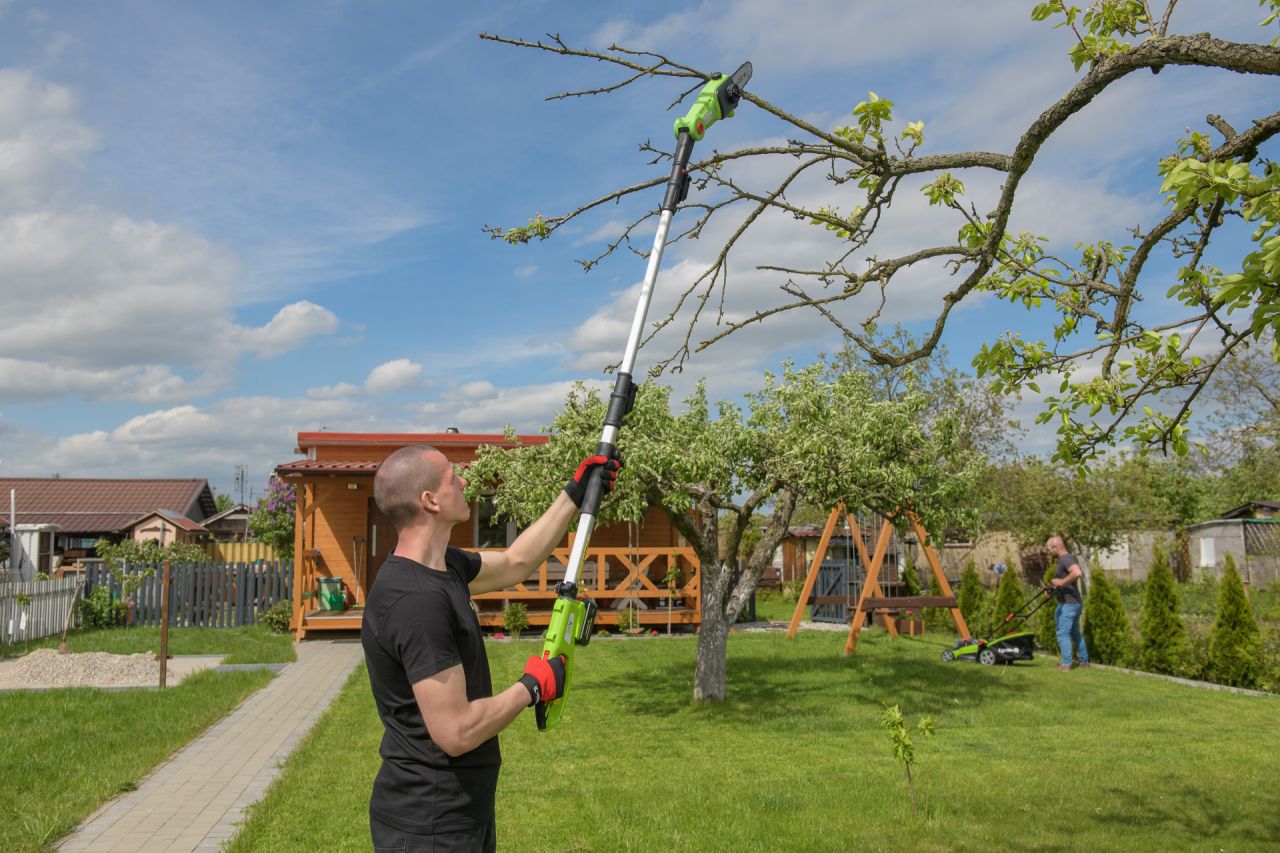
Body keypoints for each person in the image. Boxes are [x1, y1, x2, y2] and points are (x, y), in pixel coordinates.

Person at [362, 444, 620, 852]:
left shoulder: (444, 567)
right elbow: (456, 731)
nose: (465, 482)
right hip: (430, 823)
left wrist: (575, 493)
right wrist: (531, 686)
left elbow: (517, 561)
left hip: (460, 811)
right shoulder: (416, 603)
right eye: (453, 478)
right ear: (430, 501)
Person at [1045, 536, 1090, 671]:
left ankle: (1066, 664)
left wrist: (1061, 582)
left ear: (1055, 547)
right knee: (1075, 633)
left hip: (1069, 604)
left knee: (1062, 633)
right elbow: (1067, 583)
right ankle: (1084, 662)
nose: (1048, 552)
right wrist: (1053, 589)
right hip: (1073, 602)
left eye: (1049, 549)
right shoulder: (1067, 559)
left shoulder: (1066, 559)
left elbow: (1077, 573)